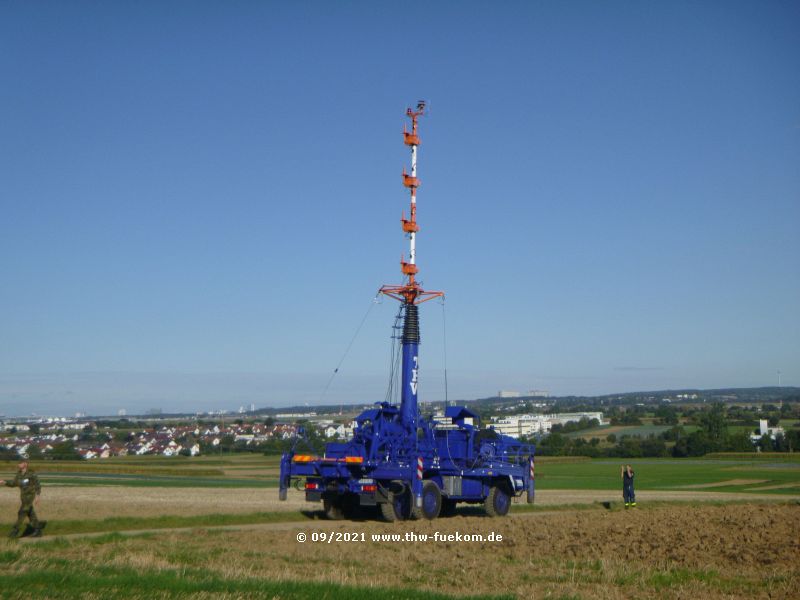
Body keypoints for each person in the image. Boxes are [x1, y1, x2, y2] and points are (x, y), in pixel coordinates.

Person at [1, 461, 43, 538]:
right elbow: (14, 483)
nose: (18, 464)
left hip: (30, 496)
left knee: (22, 512)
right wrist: (5, 482)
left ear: (25, 464)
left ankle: (15, 530)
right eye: (18, 463)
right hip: (23, 497)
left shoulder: (31, 473)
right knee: (30, 513)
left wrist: (37, 496)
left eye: (20, 463)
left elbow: (38, 485)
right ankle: (38, 530)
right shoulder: (19, 474)